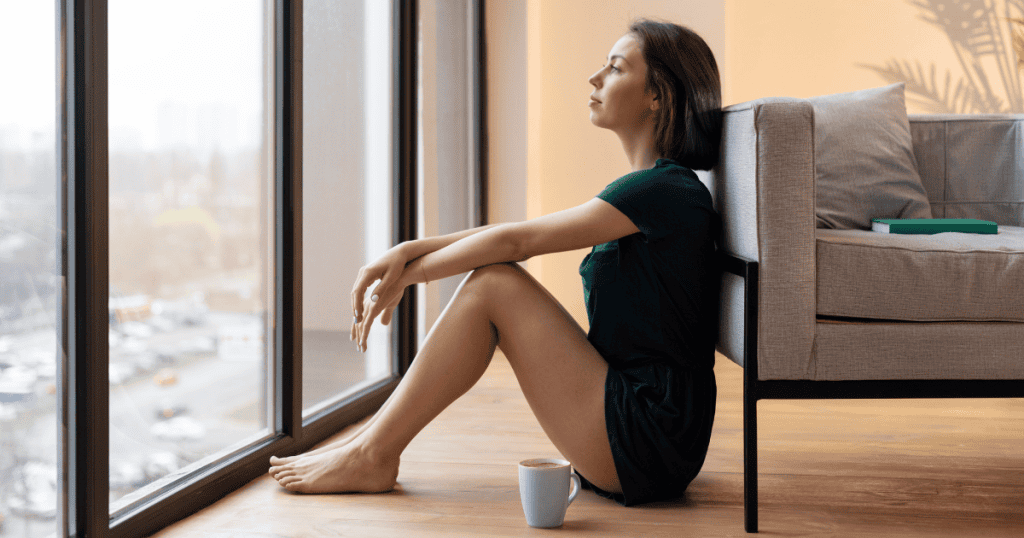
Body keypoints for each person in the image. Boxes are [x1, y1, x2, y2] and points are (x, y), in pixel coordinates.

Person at [268, 17, 722, 507]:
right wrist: (409, 251)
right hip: (650, 429)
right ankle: (367, 447)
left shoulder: (664, 189)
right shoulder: (655, 191)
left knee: (495, 285)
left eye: (614, 68)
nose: (594, 79)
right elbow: (509, 236)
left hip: (648, 434)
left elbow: (515, 242)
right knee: (494, 279)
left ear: (657, 95)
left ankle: (372, 452)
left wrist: (414, 273)